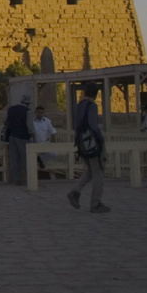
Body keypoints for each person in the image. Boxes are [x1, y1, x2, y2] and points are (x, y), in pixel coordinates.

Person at [67, 82, 109, 213]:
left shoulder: (79, 106)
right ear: (96, 94)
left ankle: (75, 191)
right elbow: (93, 125)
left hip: (81, 143)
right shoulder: (92, 106)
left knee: (89, 171)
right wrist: (101, 141)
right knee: (98, 173)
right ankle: (95, 203)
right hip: (92, 143)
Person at [4, 94, 33, 185]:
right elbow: (30, 127)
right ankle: (29, 179)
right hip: (23, 137)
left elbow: (5, 121)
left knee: (14, 158)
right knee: (25, 158)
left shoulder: (11, 109)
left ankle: (15, 179)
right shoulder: (28, 112)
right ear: (28, 103)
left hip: (12, 136)